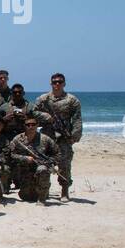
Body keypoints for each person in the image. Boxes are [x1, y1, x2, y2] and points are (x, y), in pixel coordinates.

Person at [33, 72, 82, 201]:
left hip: (63, 137)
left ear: (64, 83)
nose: (57, 84)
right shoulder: (43, 99)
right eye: (54, 82)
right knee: (44, 163)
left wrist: (75, 136)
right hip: (46, 136)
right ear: (51, 83)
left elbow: (77, 120)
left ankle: (65, 191)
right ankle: (44, 190)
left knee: (64, 165)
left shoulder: (72, 100)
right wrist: (46, 117)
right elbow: (33, 112)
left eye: (60, 82)